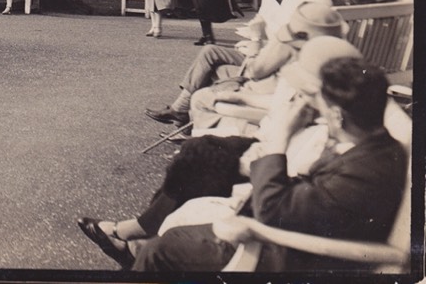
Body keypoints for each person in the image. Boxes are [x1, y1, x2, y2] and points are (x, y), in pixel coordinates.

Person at [79, 37, 379, 273]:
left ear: (337, 114)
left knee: (163, 247)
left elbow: (278, 211)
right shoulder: (357, 145)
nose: (303, 103)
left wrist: (279, 140)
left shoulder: (357, 166)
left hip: (278, 249)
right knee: (200, 161)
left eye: (311, 98)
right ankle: (138, 238)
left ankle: (138, 243)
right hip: (278, 221)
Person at [143, 0, 335, 128]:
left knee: (215, 67)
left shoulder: (293, 38)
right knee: (211, 52)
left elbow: (256, 71)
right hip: (268, 64)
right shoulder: (328, 38)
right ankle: (181, 112)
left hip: (262, 75)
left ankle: (183, 114)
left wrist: (255, 38)